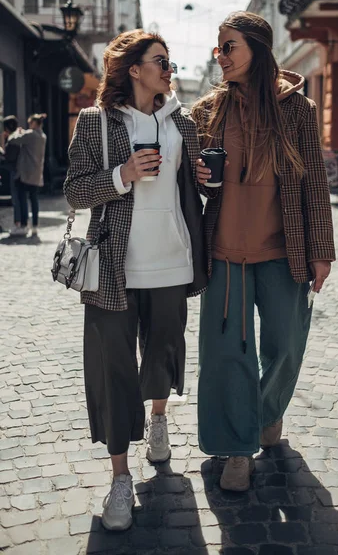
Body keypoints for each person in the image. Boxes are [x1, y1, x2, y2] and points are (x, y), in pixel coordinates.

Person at [64, 29, 207, 531]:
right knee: (114, 368)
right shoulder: (95, 123)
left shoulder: (182, 122)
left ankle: (160, 417)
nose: (169, 69)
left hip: (172, 260)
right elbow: (75, 192)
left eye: (170, 61)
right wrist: (122, 174)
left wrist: (204, 176)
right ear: (135, 70)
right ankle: (120, 478)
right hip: (113, 268)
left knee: (165, 347)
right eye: (161, 61)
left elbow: (197, 182)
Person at [192, 11, 335, 492]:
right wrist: (198, 179)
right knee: (226, 355)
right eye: (219, 47)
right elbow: (196, 186)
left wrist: (322, 251)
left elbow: (315, 183)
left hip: (284, 250)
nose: (221, 56)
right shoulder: (209, 109)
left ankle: (266, 411)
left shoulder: (298, 110)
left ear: (257, 47)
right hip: (226, 253)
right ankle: (237, 448)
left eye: (229, 46)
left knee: (286, 345)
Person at [7, 113, 47, 236]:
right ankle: (34, 225)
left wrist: (17, 132)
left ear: (34, 123)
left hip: (25, 173)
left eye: (30, 123)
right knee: (34, 200)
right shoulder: (42, 136)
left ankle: (24, 225)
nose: (29, 125)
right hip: (36, 174)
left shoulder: (30, 135)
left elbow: (12, 139)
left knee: (22, 199)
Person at [0, 116, 22, 234]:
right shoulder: (16, 137)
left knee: (16, 199)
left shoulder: (13, 140)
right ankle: (19, 223)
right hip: (17, 171)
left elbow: (10, 158)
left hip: (15, 172)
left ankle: (18, 223)